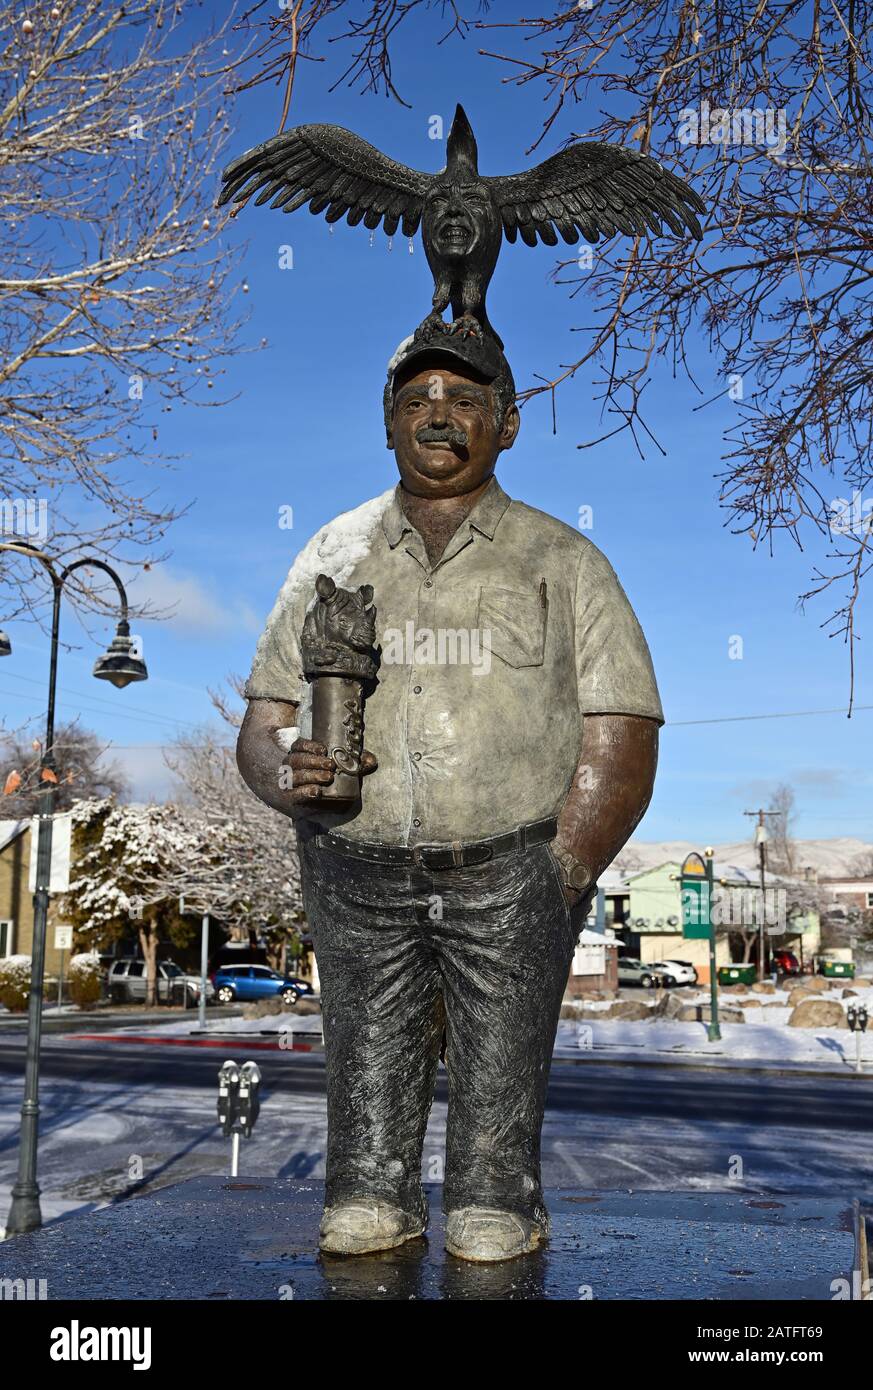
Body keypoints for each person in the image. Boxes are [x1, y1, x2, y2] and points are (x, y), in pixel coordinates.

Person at [236, 325, 663, 1262]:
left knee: (501, 1053)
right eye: (416, 399)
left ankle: (495, 1195)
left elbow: (620, 727)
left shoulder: (564, 560)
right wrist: (284, 772)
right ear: (386, 424)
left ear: (507, 425)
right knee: (368, 1045)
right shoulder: (330, 552)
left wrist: (569, 865)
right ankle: (369, 1187)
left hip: (511, 865)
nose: (439, 414)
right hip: (353, 864)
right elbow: (265, 720)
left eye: (465, 400)